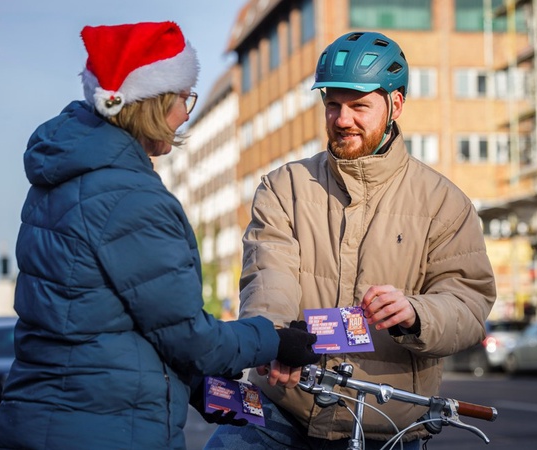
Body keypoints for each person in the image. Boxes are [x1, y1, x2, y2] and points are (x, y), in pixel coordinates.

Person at [0, 21, 319, 450]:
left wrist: (199, 387)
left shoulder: (67, 176)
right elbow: (190, 336)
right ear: (154, 103)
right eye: (184, 98)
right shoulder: (128, 196)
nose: (187, 113)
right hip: (103, 429)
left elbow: (113, 322)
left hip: (50, 415)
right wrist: (274, 338)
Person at [205, 31, 496, 449]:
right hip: (283, 408)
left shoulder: (444, 203)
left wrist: (415, 312)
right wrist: (275, 337)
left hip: (386, 423)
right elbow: (270, 276)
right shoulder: (284, 186)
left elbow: (469, 305)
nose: (342, 119)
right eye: (333, 105)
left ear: (396, 104)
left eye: (359, 106)